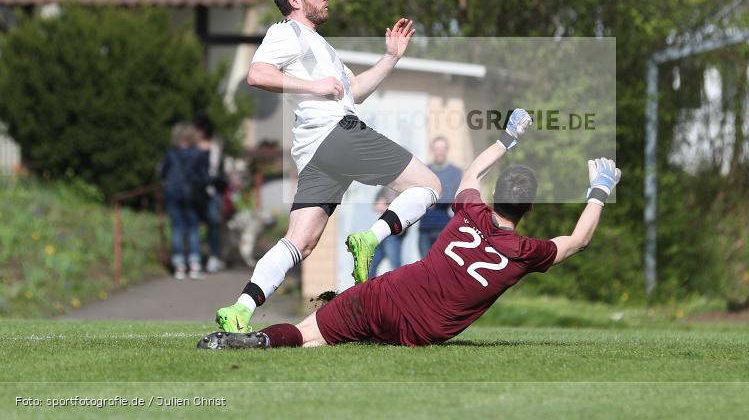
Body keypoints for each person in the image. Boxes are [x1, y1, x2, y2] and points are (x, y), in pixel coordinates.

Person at [198, 109, 622, 349]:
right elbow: (579, 240)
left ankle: (253, 341)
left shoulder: (470, 210)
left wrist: (508, 140)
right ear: (529, 206)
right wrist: (598, 191)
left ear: (496, 196)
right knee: (346, 333)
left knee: (311, 335)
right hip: (423, 332)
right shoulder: (527, 251)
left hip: (385, 294)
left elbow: (473, 171)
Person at [214, 0, 442, 333]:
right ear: (295, 0)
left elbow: (357, 91)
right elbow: (258, 74)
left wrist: (391, 57)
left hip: (318, 152)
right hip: (338, 134)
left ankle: (239, 309)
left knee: (300, 242)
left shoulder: (321, 46)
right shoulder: (289, 33)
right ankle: (371, 239)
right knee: (429, 185)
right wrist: (315, 87)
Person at [159, 122, 208, 280]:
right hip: (192, 195)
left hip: (173, 194)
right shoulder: (198, 154)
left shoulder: (170, 154)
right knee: (193, 228)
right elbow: (203, 176)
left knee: (177, 228)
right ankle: (194, 264)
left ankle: (179, 265)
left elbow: (162, 172)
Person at [418, 136, 462, 256]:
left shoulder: (456, 172)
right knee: (425, 267)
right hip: (425, 228)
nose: (440, 152)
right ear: (432, 150)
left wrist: (431, 198)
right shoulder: (424, 170)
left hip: (444, 228)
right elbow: (418, 194)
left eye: (442, 149)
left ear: (447, 150)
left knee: (442, 267)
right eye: (437, 149)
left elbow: (453, 197)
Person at [195, 115, 226, 273]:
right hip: (196, 191)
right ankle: (196, 257)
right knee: (195, 225)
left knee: (213, 224)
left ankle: (214, 256)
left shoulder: (215, 145)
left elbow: (217, 168)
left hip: (212, 190)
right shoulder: (193, 146)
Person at [368, 187, 402, 278]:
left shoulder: (401, 189)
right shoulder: (384, 188)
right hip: (381, 232)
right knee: (371, 265)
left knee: (395, 265)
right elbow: (376, 205)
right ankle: (368, 290)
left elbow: (399, 210)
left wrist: (386, 207)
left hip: (393, 234)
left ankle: (398, 290)